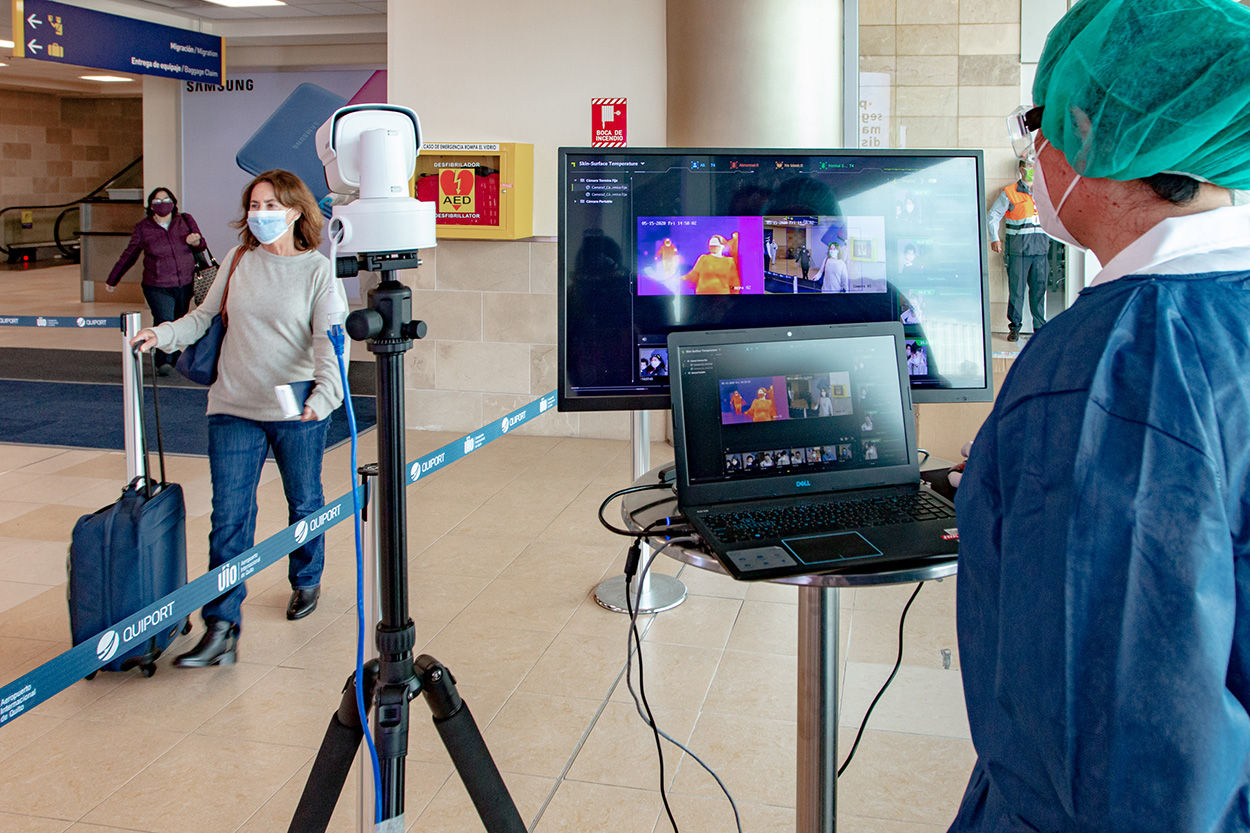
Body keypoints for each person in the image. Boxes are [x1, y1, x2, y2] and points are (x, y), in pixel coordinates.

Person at [949, 1, 1250, 830]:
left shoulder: (1121, 365)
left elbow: (1114, 746)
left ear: (1096, 137)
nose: (1034, 151)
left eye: (1041, 125)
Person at [131, 169, 348, 669]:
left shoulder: (318, 272)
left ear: (296, 211)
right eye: (255, 205)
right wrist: (161, 336)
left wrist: (325, 395)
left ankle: (306, 579)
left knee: (305, 500)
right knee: (229, 517)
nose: (260, 214)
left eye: (271, 205)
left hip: (296, 405)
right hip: (232, 404)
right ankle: (222, 627)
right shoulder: (238, 260)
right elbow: (202, 317)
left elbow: (328, 343)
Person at [106, 187, 208, 375]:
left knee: (178, 320)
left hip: (184, 282)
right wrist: (113, 278)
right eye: (158, 201)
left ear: (174, 202)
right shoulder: (143, 228)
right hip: (157, 284)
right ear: (151, 205)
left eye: (166, 199)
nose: (163, 204)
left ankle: (175, 355)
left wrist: (196, 242)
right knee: (164, 319)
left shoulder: (185, 220)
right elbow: (130, 255)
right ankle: (163, 361)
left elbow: (201, 245)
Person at [987, 158, 1050, 341]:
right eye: (1030, 167)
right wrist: (995, 238)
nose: (1033, 170)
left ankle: (1040, 327)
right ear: (1022, 170)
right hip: (1018, 251)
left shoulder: (1044, 192)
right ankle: (1014, 328)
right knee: (1017, 292)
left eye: (1035, 166)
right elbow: (993, 215)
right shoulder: (1010, 192)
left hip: (1040, 251)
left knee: (1039, 291)